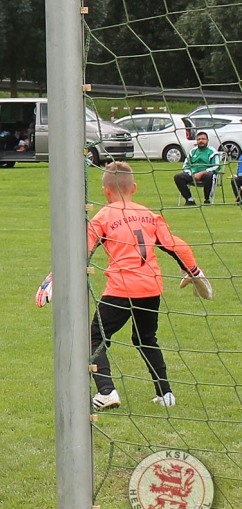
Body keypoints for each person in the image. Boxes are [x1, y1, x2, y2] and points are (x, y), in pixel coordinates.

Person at [81, 162, 209, 409]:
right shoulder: (149, 214)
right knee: (146, 339)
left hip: (121, 289)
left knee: (94, 338)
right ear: (134, 188)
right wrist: (193, 271)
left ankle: (106, 391)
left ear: (105, 191)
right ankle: (166, 394)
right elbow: (175, 245)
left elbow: (82, 251)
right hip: (151, 288)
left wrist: (55, 277)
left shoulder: (103, 216)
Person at [174, 131, 220, 205]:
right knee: (178, 177)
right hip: (192, 174)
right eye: (199, 139)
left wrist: (201, 173)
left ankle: (207, 200)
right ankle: (189, 199)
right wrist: (192, 174)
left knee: (209, 175)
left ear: (207, 140)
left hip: (206, 175)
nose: (201, 141)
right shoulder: (192, 151)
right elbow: (185, 166)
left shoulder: (212, 152)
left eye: (203, 139)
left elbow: (216, 167)